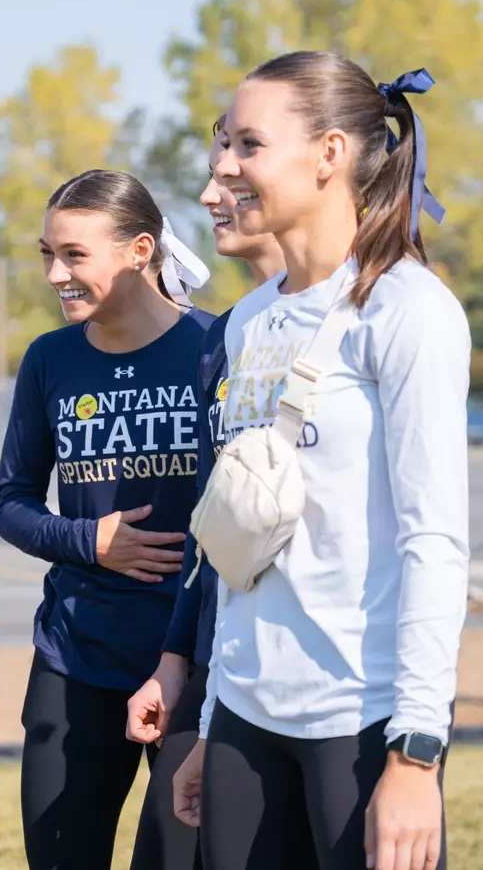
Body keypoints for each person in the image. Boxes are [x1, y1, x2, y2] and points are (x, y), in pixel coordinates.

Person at [172, 53, 471, 870]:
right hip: (243, 719)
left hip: (361, 723)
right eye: (224, 145)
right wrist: (209, 727)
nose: (225, 167)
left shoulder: (408, 311)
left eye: (248, 144)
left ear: (330, 154)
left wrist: (415, 754)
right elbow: (243, 544)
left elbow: (433, 543)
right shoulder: (246, 323)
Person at [0, 169, 213, 870]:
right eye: (46, 254)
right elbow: (12, 503)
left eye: (75, 255)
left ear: (140, 250)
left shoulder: (216, 348)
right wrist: (90, 541)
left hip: (193, 664)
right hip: (76, 653)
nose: (56, 273)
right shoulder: (49, 359)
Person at [125, 135, 299, 870]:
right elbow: (212, 532)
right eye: (211, 175)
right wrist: (175, 663)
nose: (212, 195)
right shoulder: (228, 337)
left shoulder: (377, 311)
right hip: (223, 667)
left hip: (327, 688)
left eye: (237, 170)